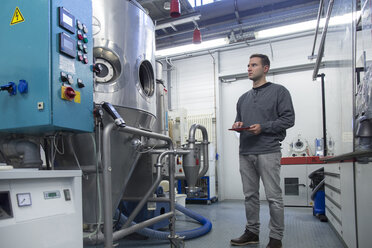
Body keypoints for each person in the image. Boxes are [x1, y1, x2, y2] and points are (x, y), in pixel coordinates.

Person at [230, 54, 295, 248]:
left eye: (254, 65)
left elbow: (288, 119)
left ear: (265, 68)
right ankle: (252, 232)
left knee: (274, 197)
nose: (249, 68)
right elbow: (239, 120)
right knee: (250, 196)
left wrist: (263, 127)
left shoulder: (279, 92)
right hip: (246, 152)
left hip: (268, 151)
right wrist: (237, 124)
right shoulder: (243, 99)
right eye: (248, 65)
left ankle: (276, 238)